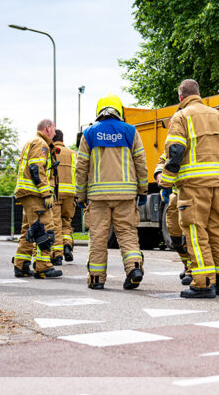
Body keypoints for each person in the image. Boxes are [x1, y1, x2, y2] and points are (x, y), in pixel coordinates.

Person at [159, 79, 219, 298]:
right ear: (199, 94)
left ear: (180, 97)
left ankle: (203, 283)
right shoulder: (218, 116)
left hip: (193, 186)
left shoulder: (181, 117)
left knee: (195, 232)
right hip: (218, 186)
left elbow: (175, 151)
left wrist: (166, 183)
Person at [75, 94, 148, 290]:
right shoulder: (131, 131)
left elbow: (81, 168)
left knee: (98, 236)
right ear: (119, 111)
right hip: (125, 195)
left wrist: (80, 196)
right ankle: (134, 268)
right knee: (127, 233)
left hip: (98, 197)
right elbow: (140, 162)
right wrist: (142, 190)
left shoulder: (89, 133)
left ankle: (97, 278)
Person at [11, 119, 63, 279]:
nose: (54, 133)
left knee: (28, 230)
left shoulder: (31, 141)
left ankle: (21, 265)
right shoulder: (41, 144)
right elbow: (36, 169)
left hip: (26, 193)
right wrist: (46, 192)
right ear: (48, 128)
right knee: (45, 229)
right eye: (53, 129)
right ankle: (43, 267)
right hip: (35, 194)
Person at [154, 153, 191, 285]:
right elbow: (165, 158)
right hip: (176, 194)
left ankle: (192, 270)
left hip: (193, 192)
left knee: (191, 235)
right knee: (175, 237)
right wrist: (159, 173)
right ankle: (187, 264)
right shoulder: (179, 138)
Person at [51, 129, 78, 265]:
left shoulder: (51, 152)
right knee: (66, 221)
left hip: (55, 193)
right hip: (70, 194)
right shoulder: (73, 154)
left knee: (55, 223)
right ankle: (67, 245)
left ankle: (57, 255)